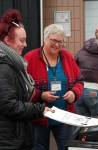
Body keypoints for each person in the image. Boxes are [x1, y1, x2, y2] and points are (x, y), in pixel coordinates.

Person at [24, 24, 83, 150]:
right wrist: (40, 95)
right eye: (54, 41)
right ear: (45, 39)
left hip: (64, 116)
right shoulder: (30, 58)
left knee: (66, 147)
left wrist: (74, 93)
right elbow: (24, 87)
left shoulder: (67, 56)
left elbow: (79, 81)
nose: (57, 45)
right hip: (39, 117)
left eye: (61, 42)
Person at [0, 9, 53, 150]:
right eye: (22, 40)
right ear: (7, 41)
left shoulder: (13, 63)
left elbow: (21, 92)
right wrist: (40, 109)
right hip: (9, 140)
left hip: (15, 135)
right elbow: (9, 105)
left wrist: (40, 95)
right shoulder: (4, 67)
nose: (26, 44)